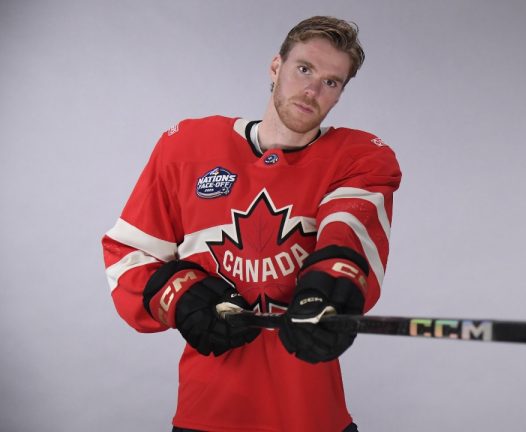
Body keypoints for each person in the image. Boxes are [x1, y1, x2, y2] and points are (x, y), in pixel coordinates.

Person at [102, 16, 401, 432]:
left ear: (340, 94)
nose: (313, 89)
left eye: (332, 82)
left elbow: (347, 230)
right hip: (208, 412)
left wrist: (330, 288)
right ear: (276, 67)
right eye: (304, 69)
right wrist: (180, 295)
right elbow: (128, 255)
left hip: (312, 414)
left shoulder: (357, 159)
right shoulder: (187, 148)